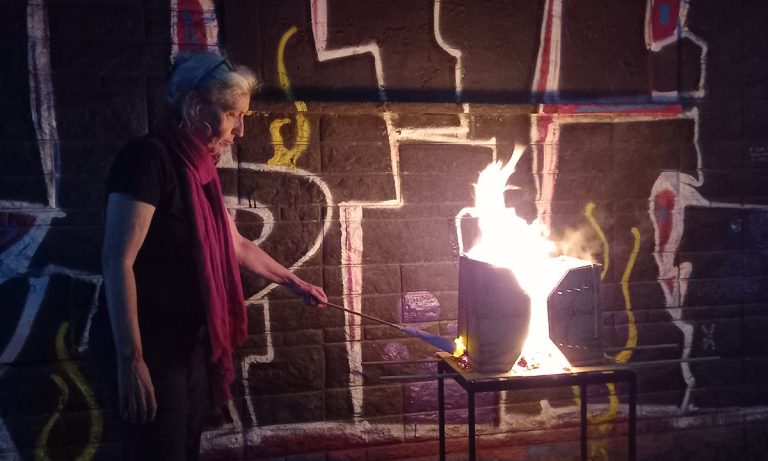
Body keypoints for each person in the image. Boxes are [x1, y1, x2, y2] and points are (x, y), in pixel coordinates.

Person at [96, 52, 327, 460]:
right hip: (152, 350)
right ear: (194, 107)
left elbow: (234, 243)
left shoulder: (199, 168)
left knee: (185, 450)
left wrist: (294, 284)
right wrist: (131, 360)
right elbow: (118, 262)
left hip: (192, 347)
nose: (240, 130)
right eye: (231, 114)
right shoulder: (147, 159)